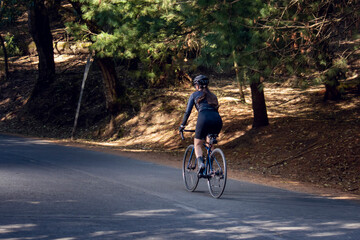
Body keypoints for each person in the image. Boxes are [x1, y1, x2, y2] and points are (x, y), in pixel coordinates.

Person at [179, 75, 223, 173]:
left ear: (197, 85)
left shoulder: (194, 95)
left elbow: (187, 112)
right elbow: (215, 109)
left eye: (195, 85)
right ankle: (210, 169)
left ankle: (201, 164)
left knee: (197, 144)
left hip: (204, 118)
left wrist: (182, 125)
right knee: (210, 144)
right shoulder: (213, 96)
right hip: (217, 120)